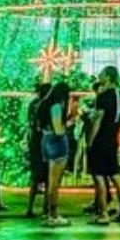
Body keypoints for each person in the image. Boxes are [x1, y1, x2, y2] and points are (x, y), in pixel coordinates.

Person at [87, 66, 120, 224]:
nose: (99, 76)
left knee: (98, 175)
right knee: (115, 174)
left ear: (109, 77)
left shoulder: (103, 96)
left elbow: (98, 120)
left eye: (102, 74)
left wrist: (90, 141)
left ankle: (103, 213)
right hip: (113, 139)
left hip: (100, 140)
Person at [41, 83, 73, 227]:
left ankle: (49, 213)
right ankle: (53, 214)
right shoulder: (56, 107)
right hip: (57, 144)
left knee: (51, 181)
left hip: (47, 141)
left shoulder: (45, 104)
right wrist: (70, 123)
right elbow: (59, 130)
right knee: (55, 183)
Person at [25, 83, 51, 219]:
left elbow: (30, 123)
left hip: (35, 141)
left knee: (35, 176)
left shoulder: (33, 104)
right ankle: (46, 209)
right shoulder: (49, 106)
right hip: (46, 141)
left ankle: (30, 207)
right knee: (48, 177)